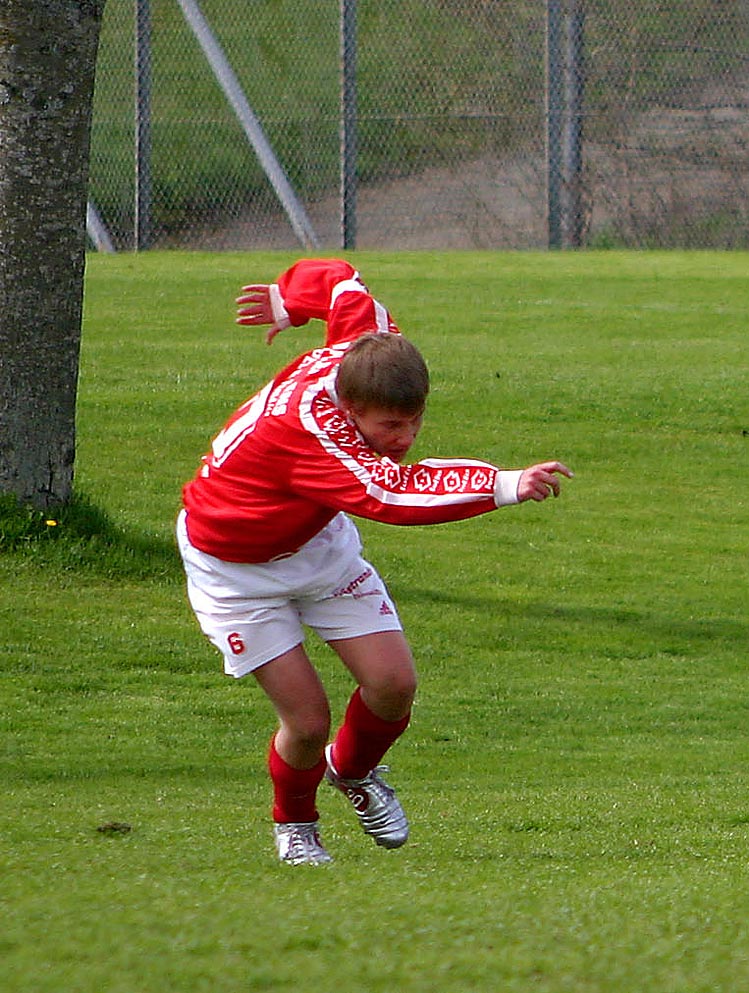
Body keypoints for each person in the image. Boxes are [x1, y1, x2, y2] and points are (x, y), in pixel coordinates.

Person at [177, 258, 573, 865]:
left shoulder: (364, 350)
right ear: (352, 409)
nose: (406, 436)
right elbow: (389, 492)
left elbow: (340, 281)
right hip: (234, 570)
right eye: (391, 425)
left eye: (416, 421)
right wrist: (504, 483)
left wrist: (290, 300)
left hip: (316, 544)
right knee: (307, 722)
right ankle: (296, 826)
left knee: (393, 685)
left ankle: (354, 773)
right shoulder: (305, 431)